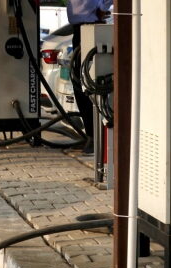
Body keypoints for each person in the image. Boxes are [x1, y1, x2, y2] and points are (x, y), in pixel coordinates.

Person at [67, 0, 112, 154]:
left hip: (91, 27)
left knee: (90, 83)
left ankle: (96, 137)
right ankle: (90, 135)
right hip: (79, 30)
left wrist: (102, 7)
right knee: (79, 84)